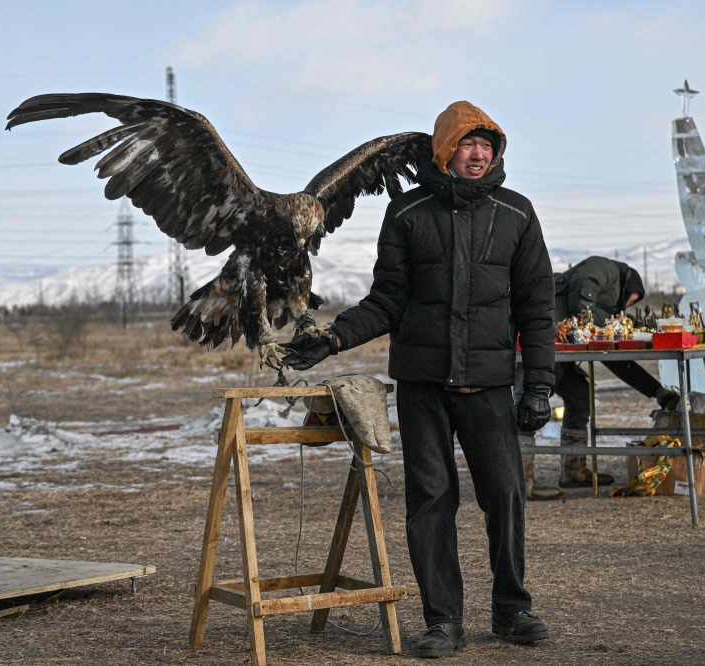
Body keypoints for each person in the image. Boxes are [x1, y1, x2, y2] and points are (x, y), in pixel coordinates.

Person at [282, 101, 554, 656]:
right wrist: (333, 338)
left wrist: (541, 385)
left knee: (505, 496)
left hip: (489, 383)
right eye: (466, 144)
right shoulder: (407, 213)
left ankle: (511, 610)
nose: (477, 154)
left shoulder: (518, 214)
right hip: (424, 385)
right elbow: (388, 300)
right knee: (431, 501)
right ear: (444, 149)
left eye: (487, 145)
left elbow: (537, 308)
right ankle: (442, 621)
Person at [527, 256, 680, 490]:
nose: (628, 304)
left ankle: (573, 471)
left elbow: (618, 362)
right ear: (629, 285)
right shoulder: (609, 270)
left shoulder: (607, 314)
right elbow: (585, 278)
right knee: (530, 401)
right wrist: (584, 323)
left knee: (579, 394)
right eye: (631, 299)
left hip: (558, 348)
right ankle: (520, 481)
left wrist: (656, 391)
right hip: (545, 339)